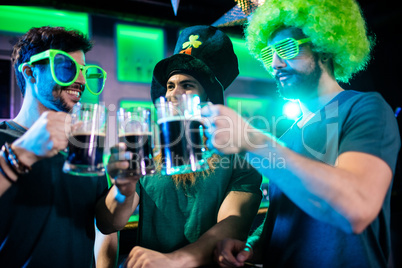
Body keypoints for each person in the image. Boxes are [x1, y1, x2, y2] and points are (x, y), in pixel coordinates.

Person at [204, 0, 401, 267]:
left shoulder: (365, 109)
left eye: (286, 48)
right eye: (267, 54)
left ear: (324, 46)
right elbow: (289, 218)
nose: (275, 63)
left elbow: (357, 208)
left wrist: (254, 142)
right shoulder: (285, 139)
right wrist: (252, 246)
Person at [102, 25, 263, 268]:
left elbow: (233, 224)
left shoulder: (237, 153)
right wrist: (122, 189)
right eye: (169, 85)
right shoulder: (147, 149)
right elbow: (109, 223)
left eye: (187, 85)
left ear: (207, 98)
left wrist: (173, 261)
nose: (172, 94)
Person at [0, 26, 139, 267]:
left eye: (84, 70)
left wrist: (123, 190)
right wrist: (23, 153)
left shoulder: (82, 146)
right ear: (30, 72)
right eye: (67, 68)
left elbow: (107, 224)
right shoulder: (4, 138)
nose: (82, 81)